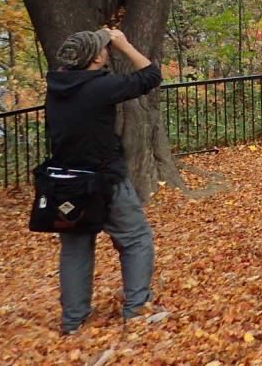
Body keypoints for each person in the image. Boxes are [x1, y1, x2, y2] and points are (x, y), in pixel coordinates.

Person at [45, 27, 162, 335]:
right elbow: (149, 75)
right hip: (104, 180)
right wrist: (124, 44)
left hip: (64, 182)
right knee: (135, 239)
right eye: (104, 49)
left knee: (75, 249)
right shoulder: (99, 87)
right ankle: (136, 310)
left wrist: (95, 40)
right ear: (97, 57)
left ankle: (73, 320)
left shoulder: (57, 85)